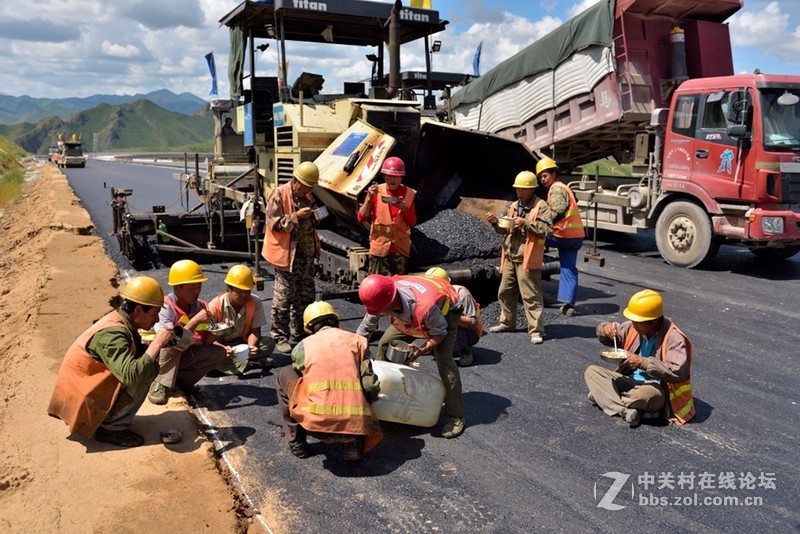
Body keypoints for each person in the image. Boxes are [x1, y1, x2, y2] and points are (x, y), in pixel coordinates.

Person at [48, 277, 176, 447]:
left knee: (147, 360)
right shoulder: (113, 334)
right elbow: (133, 376)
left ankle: (111, 420)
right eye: (154, 314)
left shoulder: (120, 320)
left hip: (84, 393)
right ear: (138, 310)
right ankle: (111, 428)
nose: (157, 321)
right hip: (82, 403)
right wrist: (157, 343)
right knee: (144, 371)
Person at [358, 273, 465, 439]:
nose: (378, 314)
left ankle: (455, 416)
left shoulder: (425, 308)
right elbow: (365, 329)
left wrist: (420, 351)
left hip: (444, 314)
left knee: (444, 361)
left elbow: (439, 333)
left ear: (391, 302)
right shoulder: (382, 292)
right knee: (385, 343)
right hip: (411, 315)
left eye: (380, 311)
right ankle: (384, 395)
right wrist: (355, 351)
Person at [276, 301, 382, 461]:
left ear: (309, 329)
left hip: (317, 427)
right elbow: (370, 386)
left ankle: (297, 442)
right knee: (361, 383)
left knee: (285, 373)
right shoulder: (358, 341)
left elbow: (299, 370)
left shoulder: (303, 346)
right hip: (356, 426)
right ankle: (353, 440)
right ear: (337, 322)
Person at [584, 289, 695, 427]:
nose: (633, 324)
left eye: (637, 322)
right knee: (592, 372)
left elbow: (678, 371)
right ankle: (626, 410)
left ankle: (605, 397)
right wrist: (604, 329)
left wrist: (643, 362)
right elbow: (612, 332)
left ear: (653, 321)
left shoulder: (674, 338)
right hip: (629, 380)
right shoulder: (634, 327)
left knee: (648, 396)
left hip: (654, 387)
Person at [485, 171, 553, 344]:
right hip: (510, 256)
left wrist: (526, 223)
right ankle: (507, 323)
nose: (519, 192)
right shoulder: (514, 205)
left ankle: (536, 331)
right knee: (505, 292)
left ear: (531, 189)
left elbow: (547, 229)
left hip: (527, 258)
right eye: (517, 189)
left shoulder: (541, 206)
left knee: (530, 295)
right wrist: (495, 222)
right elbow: (505, 229)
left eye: (522, 189)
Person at [148, 259, 228, 405]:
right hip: (160, 359)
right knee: (170, 343)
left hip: (184, 358)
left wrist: (220, 329)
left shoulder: (202, 306)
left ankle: (181, 384)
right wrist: (194, 322)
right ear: (177, 288)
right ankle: (159, 383)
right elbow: (167, 342)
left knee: (218, 353)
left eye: (199, 287)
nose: (197, 292)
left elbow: (207, 342)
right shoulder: (165, 308)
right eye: (192, 288)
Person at [262, 161, 322, 354]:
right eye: (306, 186)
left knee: (305, 296)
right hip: (287, 257)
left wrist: (315, 215)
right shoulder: (279, 194)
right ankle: (279, 336)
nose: (308, 190)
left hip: (306, 256)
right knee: (284, 298)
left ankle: (300, 333)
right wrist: (296, 216)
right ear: (296, 181)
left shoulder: (308, 195)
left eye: (311, 187)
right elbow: (272, 223)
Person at [355, 156, 417, 340]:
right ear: (383, 175)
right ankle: (368, 329)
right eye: (389, 176)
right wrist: (369, 198)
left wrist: (404, 208)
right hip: (380, 247)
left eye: (396, 176)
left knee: (400, 291)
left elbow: (412, 221)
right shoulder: (376, 192)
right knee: (375, 291)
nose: (392, 180)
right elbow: (361, 217)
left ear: (402, 178)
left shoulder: (408, 194)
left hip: (399, 248)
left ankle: (398, 328)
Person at [536, 157, 584, 317]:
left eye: (545, 175)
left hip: (562, 236)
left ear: (553, 174)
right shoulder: (564, 187)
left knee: (531, 235)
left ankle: (528, 280)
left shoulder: (556, 189)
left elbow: (556, 212)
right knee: (568, 268)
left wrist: (536, 220)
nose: (543, 179)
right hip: (576, 238)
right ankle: (568, 304)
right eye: (540, 177)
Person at [208, 264, 276, 375]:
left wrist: (251, 347)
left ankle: (238, 364)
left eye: (247, 291)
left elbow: (255, 331)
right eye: (239, 291)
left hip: (242, 343)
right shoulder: (215, 306)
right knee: (207, 356)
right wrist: (224, 349)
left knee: (268, 343)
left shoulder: (255, 302)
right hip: (221, 346)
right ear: (229, 289)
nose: (244, 295)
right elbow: (207, 339)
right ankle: (251, 364)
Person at [424, 267, 483, 367]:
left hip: (470, 333)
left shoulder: (461, 294)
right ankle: (438, 345)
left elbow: (473, 324)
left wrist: (451, 315)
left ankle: (465, 350)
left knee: (450, 317)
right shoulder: (429, 294)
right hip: (448, 328)